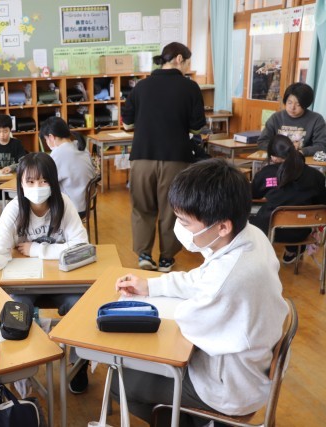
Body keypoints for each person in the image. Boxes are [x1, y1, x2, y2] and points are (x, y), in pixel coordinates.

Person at [114, 159, 288, 426]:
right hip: (251, 366)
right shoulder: (251, 235)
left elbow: (187, 324)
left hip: (228, 386)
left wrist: (143, 314)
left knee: (121, 382)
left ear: (222, 226)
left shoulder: (228, 277)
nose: (180, 228)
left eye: (185, 223)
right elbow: (202, 279)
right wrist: (151, 286)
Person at [0, 152, 90, 391]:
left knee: (80, 307)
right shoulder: (14, 209)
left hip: (63, 282)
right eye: (30, 181)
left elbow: (81, 246)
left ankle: (79, 364)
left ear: (53, 181)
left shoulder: (63, 204)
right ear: (20, 183)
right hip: (25, 284)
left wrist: (37, 249)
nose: (37, 187)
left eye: (44, 181)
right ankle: (23, 371)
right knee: (15, 313)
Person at [121, 42, 207, 273]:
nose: (188, 67)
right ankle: (167, 259)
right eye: (188, 62)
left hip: (142, 157)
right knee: (173, 210)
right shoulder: (190, 88)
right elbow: (197, 127)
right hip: (176, 158)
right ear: (179, 59)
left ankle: (144, 255)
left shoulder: (141, 86)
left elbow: (127, 123)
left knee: (142, 208)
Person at [251, 134, 326, 263]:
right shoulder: (316, 176)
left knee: (249, 217)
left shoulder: (266, 173)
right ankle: (293, 250)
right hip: (300, 232)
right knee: (298, 213)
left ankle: (258, 256)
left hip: (268, 229)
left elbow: (253, 195)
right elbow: (322, 203)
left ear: (273, 157)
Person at [40, 117, 96, 215]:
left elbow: (45, 179)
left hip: (72, 209)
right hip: (87, 203)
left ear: (51, 137)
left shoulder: (58, 153)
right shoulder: (79, 145)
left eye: (46, 139)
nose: (47, 143)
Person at [257, 82, 326, 156]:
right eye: (289, 103)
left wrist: (302, 152)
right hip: (279, 158)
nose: (292, 107)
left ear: (306, 105)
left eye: (298, 104)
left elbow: (322, 146)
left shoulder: (316, 119)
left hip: (303, 159)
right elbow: (262, 142)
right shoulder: (276, 118)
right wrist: (283, 149)